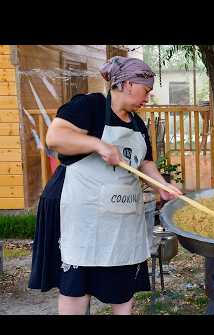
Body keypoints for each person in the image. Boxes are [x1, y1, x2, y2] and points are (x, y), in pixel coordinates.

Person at [28, 56, 183, 315]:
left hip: (121, 219)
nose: (149, 95)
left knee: (123, 285)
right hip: (82, 213)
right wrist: (98, 145)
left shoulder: (137, 123)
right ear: (128, 84)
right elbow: (55, 137)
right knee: (77, 286)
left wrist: (160, 186)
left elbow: (145, 163)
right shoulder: (90, 106)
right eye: (147, 89)